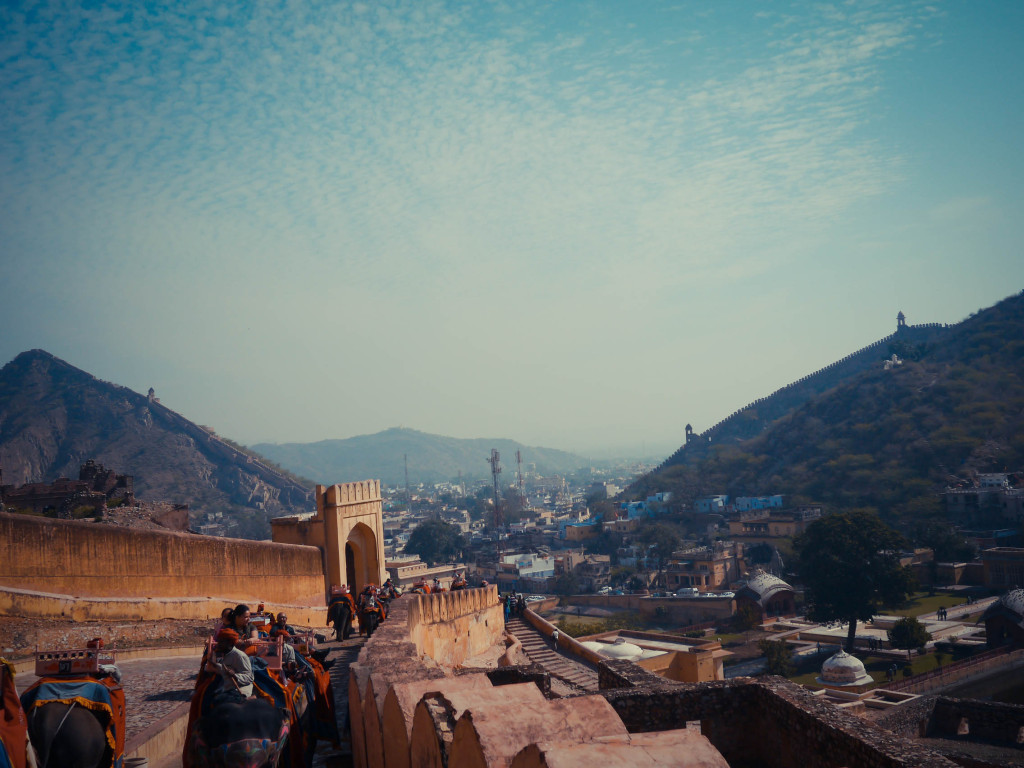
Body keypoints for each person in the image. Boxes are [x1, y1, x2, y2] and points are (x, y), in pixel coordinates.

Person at [206, 628, 254, 700]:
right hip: (226, 686)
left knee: (224, 701)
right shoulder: (220, 653)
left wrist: (235, 676)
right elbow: (221, 670)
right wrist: (213, 665)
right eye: (219, 641)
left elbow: (249, 677)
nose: (219, 644)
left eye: (222, 642)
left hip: (240, 688)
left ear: (230, 643)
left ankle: (248, 699)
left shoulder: (240, 656)